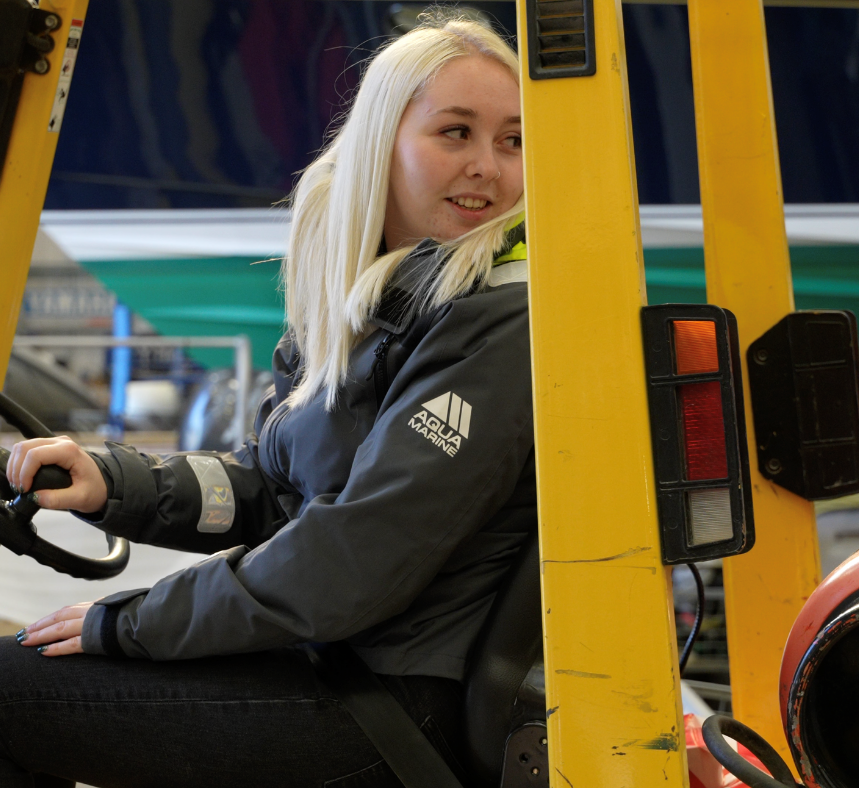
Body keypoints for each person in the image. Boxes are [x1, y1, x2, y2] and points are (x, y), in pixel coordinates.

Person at [0, 15, 534, 788]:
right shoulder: (372, 303)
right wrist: (115, 484)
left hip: (395, 705)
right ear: (378, 146)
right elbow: (272, 489)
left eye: (512, 141)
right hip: (341, 663)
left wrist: (131, 622)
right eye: (457, 133)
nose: (488, 166)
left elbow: (353, 556)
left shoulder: (497, 322)